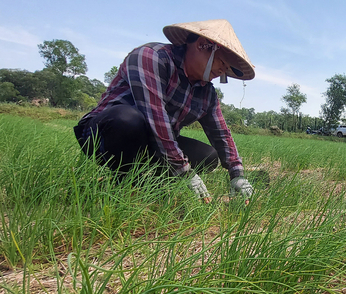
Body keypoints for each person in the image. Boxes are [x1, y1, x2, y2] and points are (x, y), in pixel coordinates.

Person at [73, 19, 254, 202]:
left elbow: (221, 133)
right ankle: (123, 183)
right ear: (202, 45)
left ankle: (145, 183)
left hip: (155, 145)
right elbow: (155, 119)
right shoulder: (152, 57)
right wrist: (183, 170)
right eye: (222, 62)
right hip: (105, 134)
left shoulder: (207, 92)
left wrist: (237, 174)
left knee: (208, 156)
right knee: (129, 120)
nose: (223, 70)